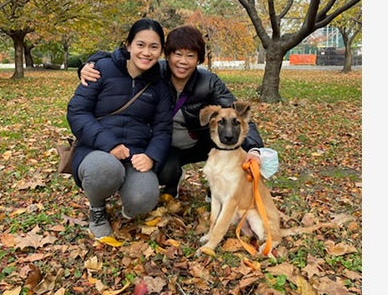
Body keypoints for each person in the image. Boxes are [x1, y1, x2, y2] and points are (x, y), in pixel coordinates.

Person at [79, 25, 265, 199]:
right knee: (165, 171)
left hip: (198, 142)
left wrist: (254, 148)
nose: (183, 62)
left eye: (190, 56)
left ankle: (218, 186)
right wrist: (89, 64)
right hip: (165, 143)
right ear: (167, 55)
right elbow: (120, 59)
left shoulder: (209, 82)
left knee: (229, 138)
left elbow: (237, 116)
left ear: (199, 59)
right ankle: (172, 179)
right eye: (177, 54)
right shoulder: (154, 71)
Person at [66, 18, 174, 239]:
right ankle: (97, 208)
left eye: (154, 47)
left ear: (161, 51)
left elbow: (163, 128)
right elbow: (77, 111)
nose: (146, 52)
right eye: (140, 45)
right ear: (128, 45)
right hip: (96, 149)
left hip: (135, 153)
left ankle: (128, 202)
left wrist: (152, 156)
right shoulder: (100, 70)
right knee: (105, 170)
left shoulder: (160, 86)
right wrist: (110, 144)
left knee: (144, 198)